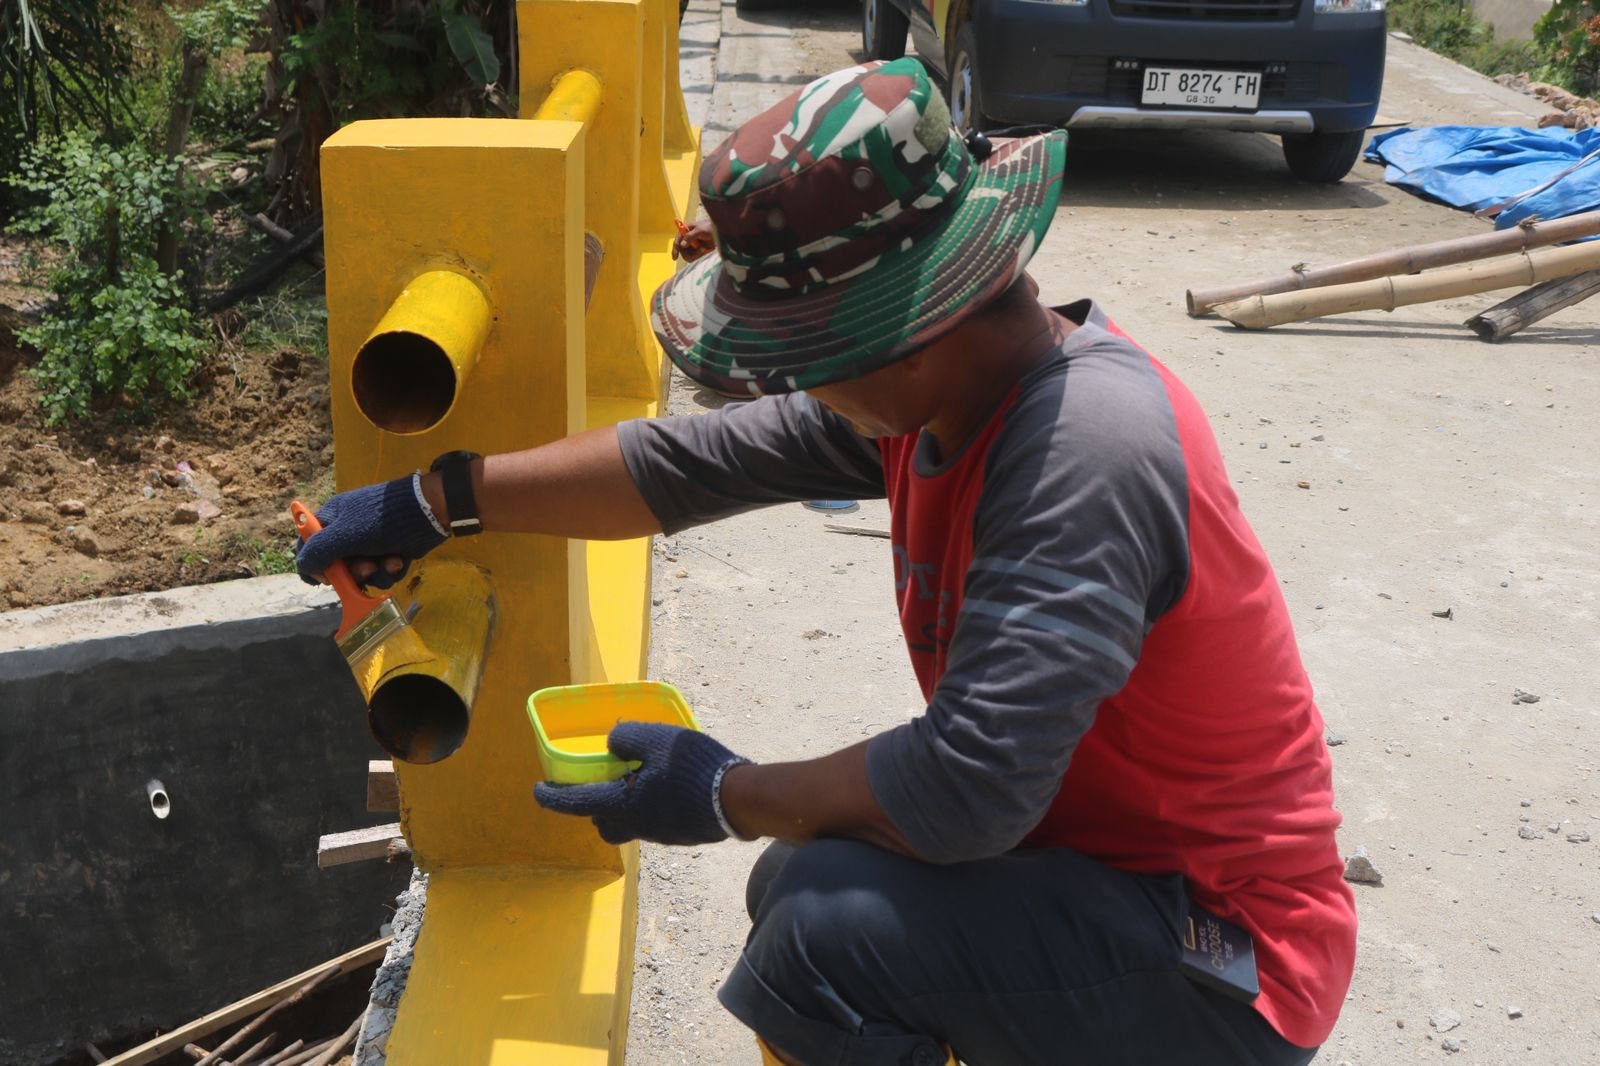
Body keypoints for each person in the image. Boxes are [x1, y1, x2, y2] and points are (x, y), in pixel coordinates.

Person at [296, 59, 1355, 1066]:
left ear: (910, 332)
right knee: (801, 881)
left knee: (822, 936)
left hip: (1227, 953)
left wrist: (721, 791)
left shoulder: (1083, 452)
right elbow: (683, 466)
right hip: (1093, 881)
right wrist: (436, 502)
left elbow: (967, 791)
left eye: (802, 357)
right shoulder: (945, 391)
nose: (789, 387)